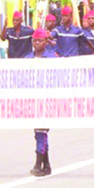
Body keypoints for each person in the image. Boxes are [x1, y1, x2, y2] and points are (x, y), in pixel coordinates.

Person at [24, 29, 57, 175]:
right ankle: (47, 165)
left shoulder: (52, 58)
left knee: (41, 131)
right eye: (35, 40)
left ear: (46, 42)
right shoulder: (27, 59)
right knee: (38, 132)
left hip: (47, 99)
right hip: (32, 99)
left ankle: (38, 164)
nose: (37, 43)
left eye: (40, 40)